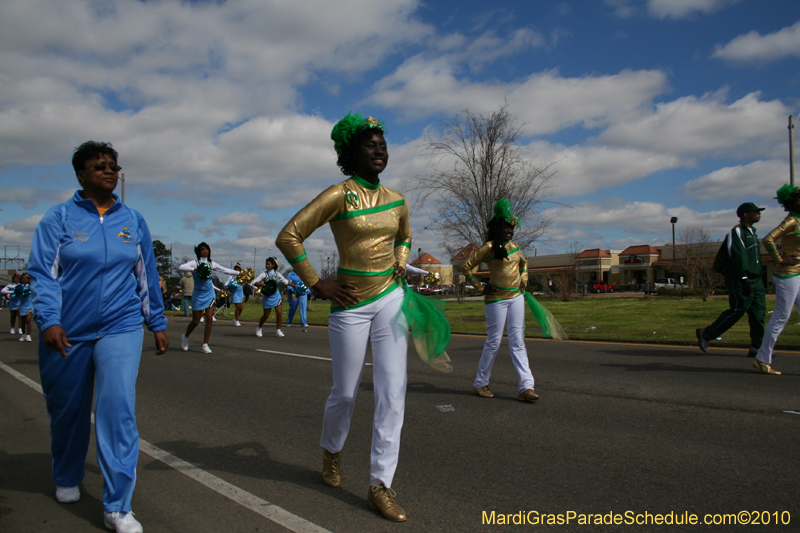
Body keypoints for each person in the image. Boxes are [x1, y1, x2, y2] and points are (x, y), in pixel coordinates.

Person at [275, 113, 412, 521]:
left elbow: (404, 235)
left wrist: (401, 260)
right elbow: (289, 235)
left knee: (392, 391)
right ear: (352, 152)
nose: (380, 150)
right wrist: (317, 283)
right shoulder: (340, 195)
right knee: (346, 393)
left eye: (383, 144)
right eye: (371, 144)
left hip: (391, 298)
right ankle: (332, 451)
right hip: (349, 304)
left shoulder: (398, 200)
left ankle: (380, 484)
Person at [28, 140, 168, 533]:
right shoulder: (58, 218)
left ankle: (117, 506)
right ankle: (67, 473)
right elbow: (43, 274)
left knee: (117, 408)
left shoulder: (133, 221)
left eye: (113, 165)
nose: (109, 170)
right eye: (99, 166)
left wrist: (155, 322)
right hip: (66, 331)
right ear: (81, 174)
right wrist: (49, 320)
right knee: (68, 410)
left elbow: (146, 276)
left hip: (120, 326)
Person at [460, 199, 539, 402]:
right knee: (494, 341)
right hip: (496, 299)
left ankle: (526, 386)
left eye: (512, 228)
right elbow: (466, 267)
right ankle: (480, 383)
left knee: (518, 341)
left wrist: (524, 278)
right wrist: (481, 287)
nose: (510, 231)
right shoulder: (489, 247)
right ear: (498, 227)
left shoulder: (516, 248)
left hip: (516, 297)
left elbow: (525, 264)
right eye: (506, 227)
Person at [696, 202, 766, 355]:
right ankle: (706, 334)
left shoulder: (753, 232)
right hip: (740, 278)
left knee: (758, 314)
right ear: (745, 214)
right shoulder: (737, 233)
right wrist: (743, 277)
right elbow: (737, 255)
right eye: (755, 212)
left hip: (756, 279)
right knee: (737, 309)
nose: (759, 214)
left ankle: (757, 347)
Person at [753, 186, 800, 375]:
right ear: (793, 202)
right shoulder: (791, 221)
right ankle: (762, 358)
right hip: (787, 274)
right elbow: (768, 239)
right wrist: (780, 259)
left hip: (798, 272)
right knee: (781, 315)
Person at [179, 243, 238, 353]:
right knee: (196, 321)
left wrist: (239, 273)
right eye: (202, 249)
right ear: (198, 251)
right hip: (198, 294)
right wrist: (194, 269)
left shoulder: (211, 263)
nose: (205, 251)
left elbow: (224, 270)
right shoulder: (195, 263)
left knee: (209, 318)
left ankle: (205, 344)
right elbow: (181, 267)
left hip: (209, 294)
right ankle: (185, 336)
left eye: (207, 249)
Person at [253, 257, 295, 337]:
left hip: (277, 296)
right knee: (266, 315)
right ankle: (259, 328)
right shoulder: (264, 274)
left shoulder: (278, 274)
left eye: (268, 264)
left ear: (273, 265)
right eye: (266, 264)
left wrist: (294, 286)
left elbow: (285, 281)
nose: (267, 265)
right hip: (268, 297)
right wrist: (263, 284)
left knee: (279, 313)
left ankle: (278, 330)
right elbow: (254, 282)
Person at [10, 273, 34, 341]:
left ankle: (28, 335)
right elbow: (15, 294)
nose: (25, 279)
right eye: (23, 278)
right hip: (22, 305)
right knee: (23, 322)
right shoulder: (19, 287)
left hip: (30, 305)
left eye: (26, 278)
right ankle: (23, 335)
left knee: (28, 320)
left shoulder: (32, 286)